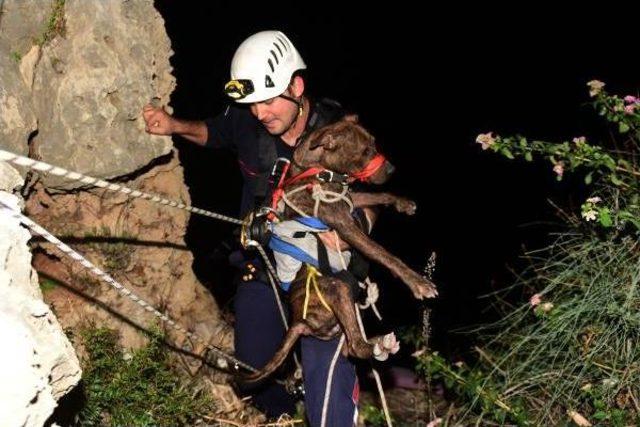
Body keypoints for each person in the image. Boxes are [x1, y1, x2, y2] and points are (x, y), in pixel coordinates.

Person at [143, 30, 363, 425]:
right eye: (251, 104)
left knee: (322, 360)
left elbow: (368, 195)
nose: (260, 113)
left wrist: (351, 232)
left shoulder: (337, 134)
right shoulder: (247, 122)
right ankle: (280, 413)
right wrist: (173, 125)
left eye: (268, 100)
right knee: (254, 374)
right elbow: (215, 132)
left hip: (318, 271)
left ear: (296, 86)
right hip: (262, 264)